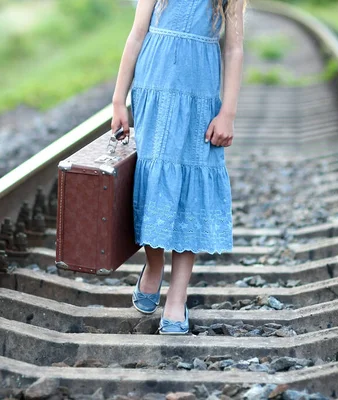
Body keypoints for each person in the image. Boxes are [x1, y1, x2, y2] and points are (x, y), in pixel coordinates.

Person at [111, 0, 246, 334]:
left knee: (190, 193)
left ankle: (177, 296)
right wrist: (118, 100)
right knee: (155, 182)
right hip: (154, 86)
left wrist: (227, 112)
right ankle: (154, 265)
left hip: (199, 96)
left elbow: (234, 50)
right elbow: (137, 34)